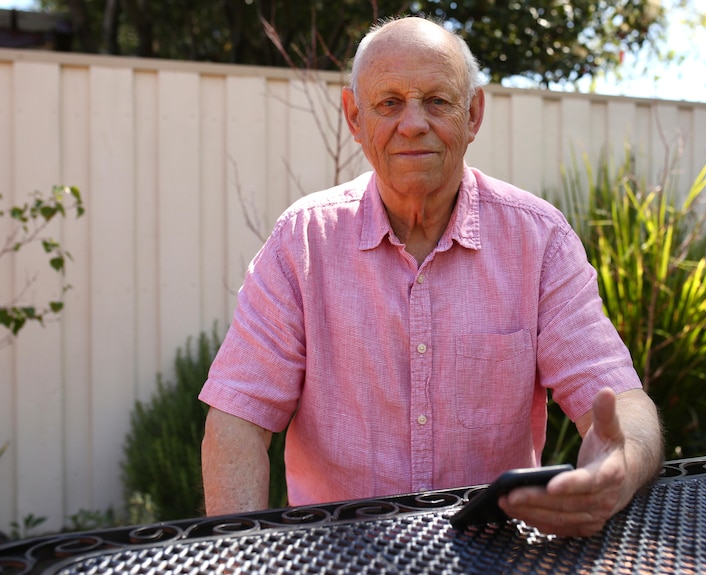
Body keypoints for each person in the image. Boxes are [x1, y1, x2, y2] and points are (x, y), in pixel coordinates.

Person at [199, 16, 663, 538]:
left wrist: (618, 469)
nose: (413, 123)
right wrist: (237, 559)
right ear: (355, 117)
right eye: (389, 103)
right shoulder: (301, 243)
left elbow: (621, 400)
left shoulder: (540, 241)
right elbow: (238, 421)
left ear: (474, 114)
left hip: (492, 555)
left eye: (437, 101)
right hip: (334, 557)